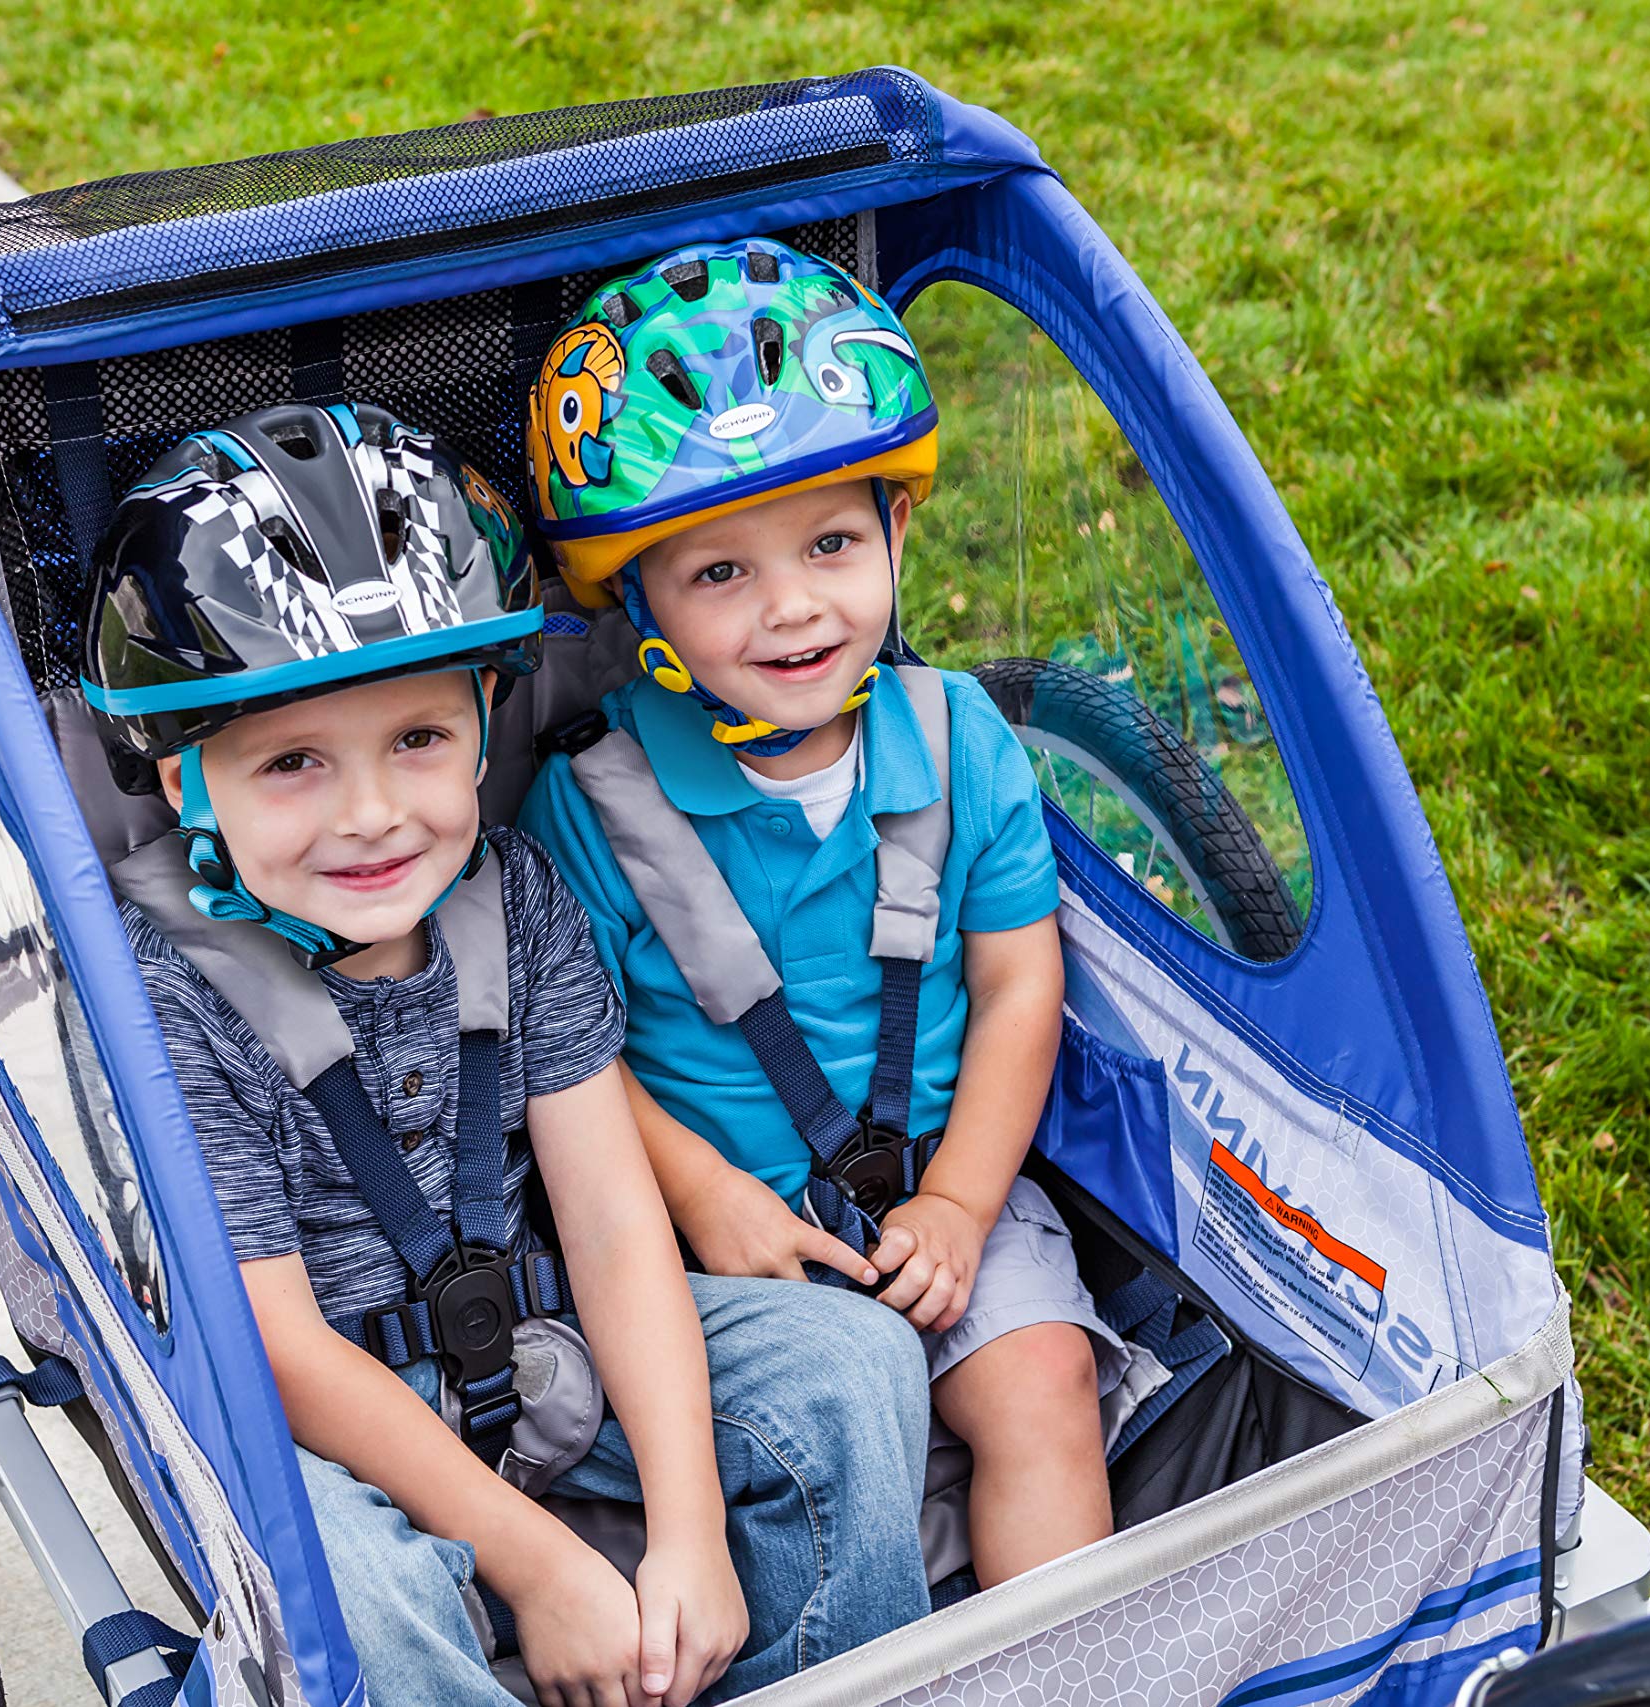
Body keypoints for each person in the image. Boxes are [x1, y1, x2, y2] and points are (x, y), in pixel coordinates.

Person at [82, 402, 932, 1707]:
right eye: (293, 762)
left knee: (854, 1367)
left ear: (487, 719)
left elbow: (613, 1227)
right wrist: (539, 1572)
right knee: (352, 1595)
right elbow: (282, 1350)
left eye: (418, 740)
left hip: (543, 1333)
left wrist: (692, 1532)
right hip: (324, 1416)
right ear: (184, 780)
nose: (374, 814)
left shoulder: (515, 899)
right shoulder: (173, 997)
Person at [519, 240, 1123, 1590]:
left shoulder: (959, 738)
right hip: (717, 1232)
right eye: (719, 574)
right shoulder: (594, 806)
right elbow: (574, 1068)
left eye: (833, 545)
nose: (793, 607)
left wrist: (961, 1202)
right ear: (639, 598)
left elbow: (1019, 988)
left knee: (1043, 1388)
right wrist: (704, 1197)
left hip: (946, 1184)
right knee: (815, 1442)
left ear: (897, 532)